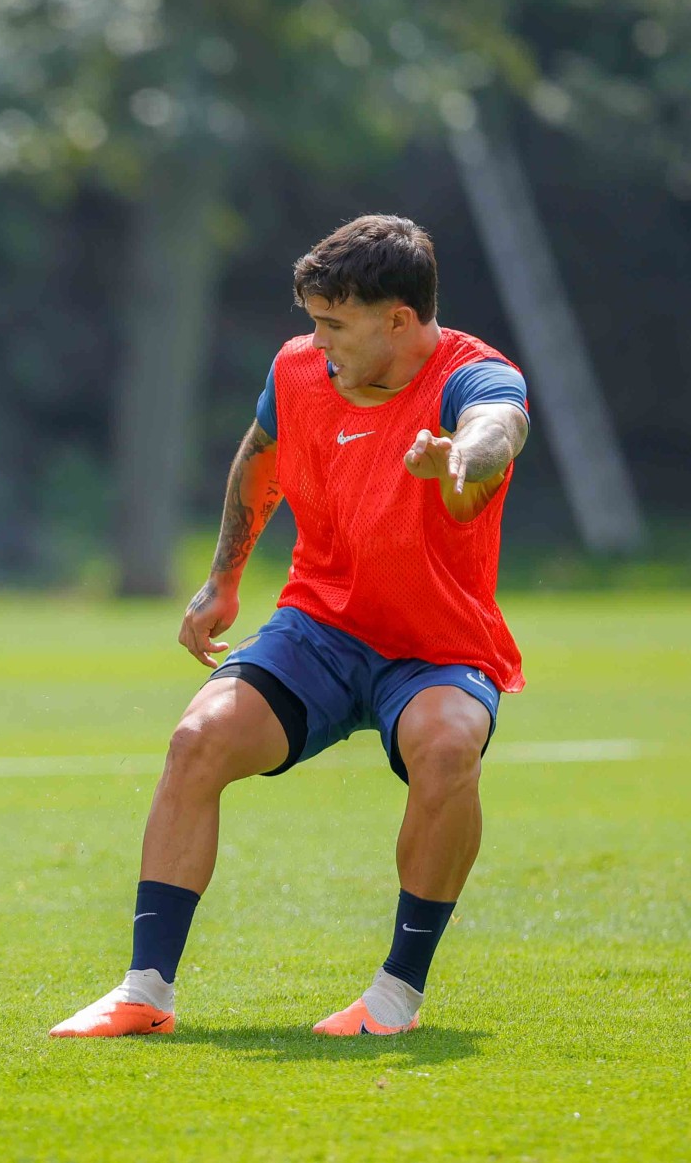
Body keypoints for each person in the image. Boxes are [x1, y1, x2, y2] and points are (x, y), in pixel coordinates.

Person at [51, 215, 531, 1039]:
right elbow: (262, 452)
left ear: (398, 320)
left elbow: (501, 425)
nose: (319, 340)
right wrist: (223, 578)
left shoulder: (472, 375)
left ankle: (394, 998)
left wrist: (460, 453)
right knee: (196, 739)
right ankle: (143, 992)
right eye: (314, 320)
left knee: (449, 746)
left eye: (334, 323)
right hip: (319, 629)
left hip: (437, 647)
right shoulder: (299, 367)